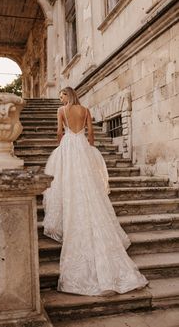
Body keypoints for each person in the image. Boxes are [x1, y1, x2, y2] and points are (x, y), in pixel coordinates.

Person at [43, 86, 148, 296]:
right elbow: (91, 133)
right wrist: (89, 149)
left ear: (68, 95)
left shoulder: (61, 111)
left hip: (68, 147)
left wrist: (60, 145)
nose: (60, 98)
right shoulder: (85, 110)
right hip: (82, 145)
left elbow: (59, 132)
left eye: (62, 95)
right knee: (88, 182)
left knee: (68, 180)